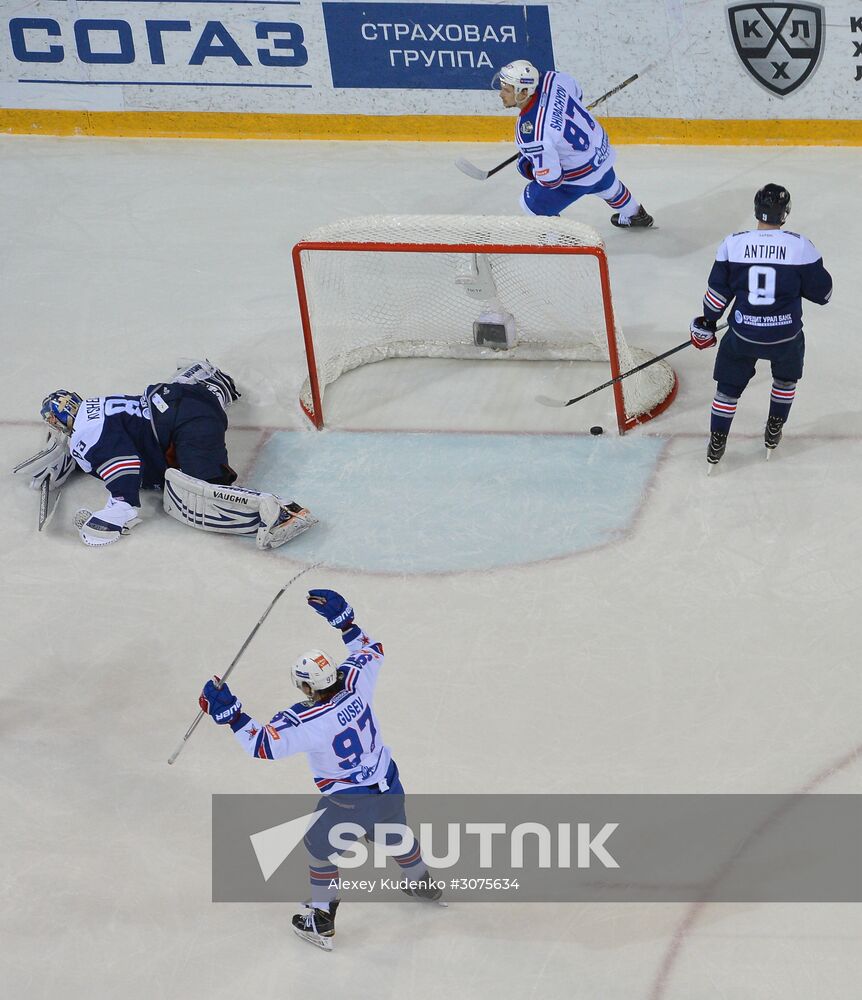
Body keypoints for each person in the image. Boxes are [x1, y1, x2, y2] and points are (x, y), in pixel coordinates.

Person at [199, 589, 442, 950]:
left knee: (319, 849)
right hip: (388, 783)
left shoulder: (307, 721)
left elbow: (263, 744)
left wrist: (231, 714)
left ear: (307, 685)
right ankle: (420, 880)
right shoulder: (356, 683)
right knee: (394, 832)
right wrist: (346, 623)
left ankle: (322, 916)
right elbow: (370, 651)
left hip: (349, 800)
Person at [33, 360, 316, 546]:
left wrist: (120, 507)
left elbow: (123, 464)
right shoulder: (96, 407)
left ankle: (281, 513)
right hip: (182, 395)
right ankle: (210, 379)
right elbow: (114, 440)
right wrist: (75, 457)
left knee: (196, 495)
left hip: (191, 427)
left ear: (57, 420)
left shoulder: (87, 433)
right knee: (168, 408)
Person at [689, 184, 833, 466]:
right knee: (786, 379)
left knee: (728, 387)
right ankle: (774, 428)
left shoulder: (733, 243)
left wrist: (707, 323)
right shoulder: (800, 246)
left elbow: (717, 295)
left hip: (743, 334)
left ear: (756, 210)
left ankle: (717, 440)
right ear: (785, 213)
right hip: (785, 336)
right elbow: (824, 294)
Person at [494, 59, 653, 228]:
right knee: (609, 186)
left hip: (582, 173)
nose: (501, 94)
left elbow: (551, 180)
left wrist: (528, 167)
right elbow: (577, 93)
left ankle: (558, 238)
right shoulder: (553, 79)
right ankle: (636, 215)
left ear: (524, 92)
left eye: (507, 90)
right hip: (601, 150)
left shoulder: (531, 131)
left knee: (532, 205)